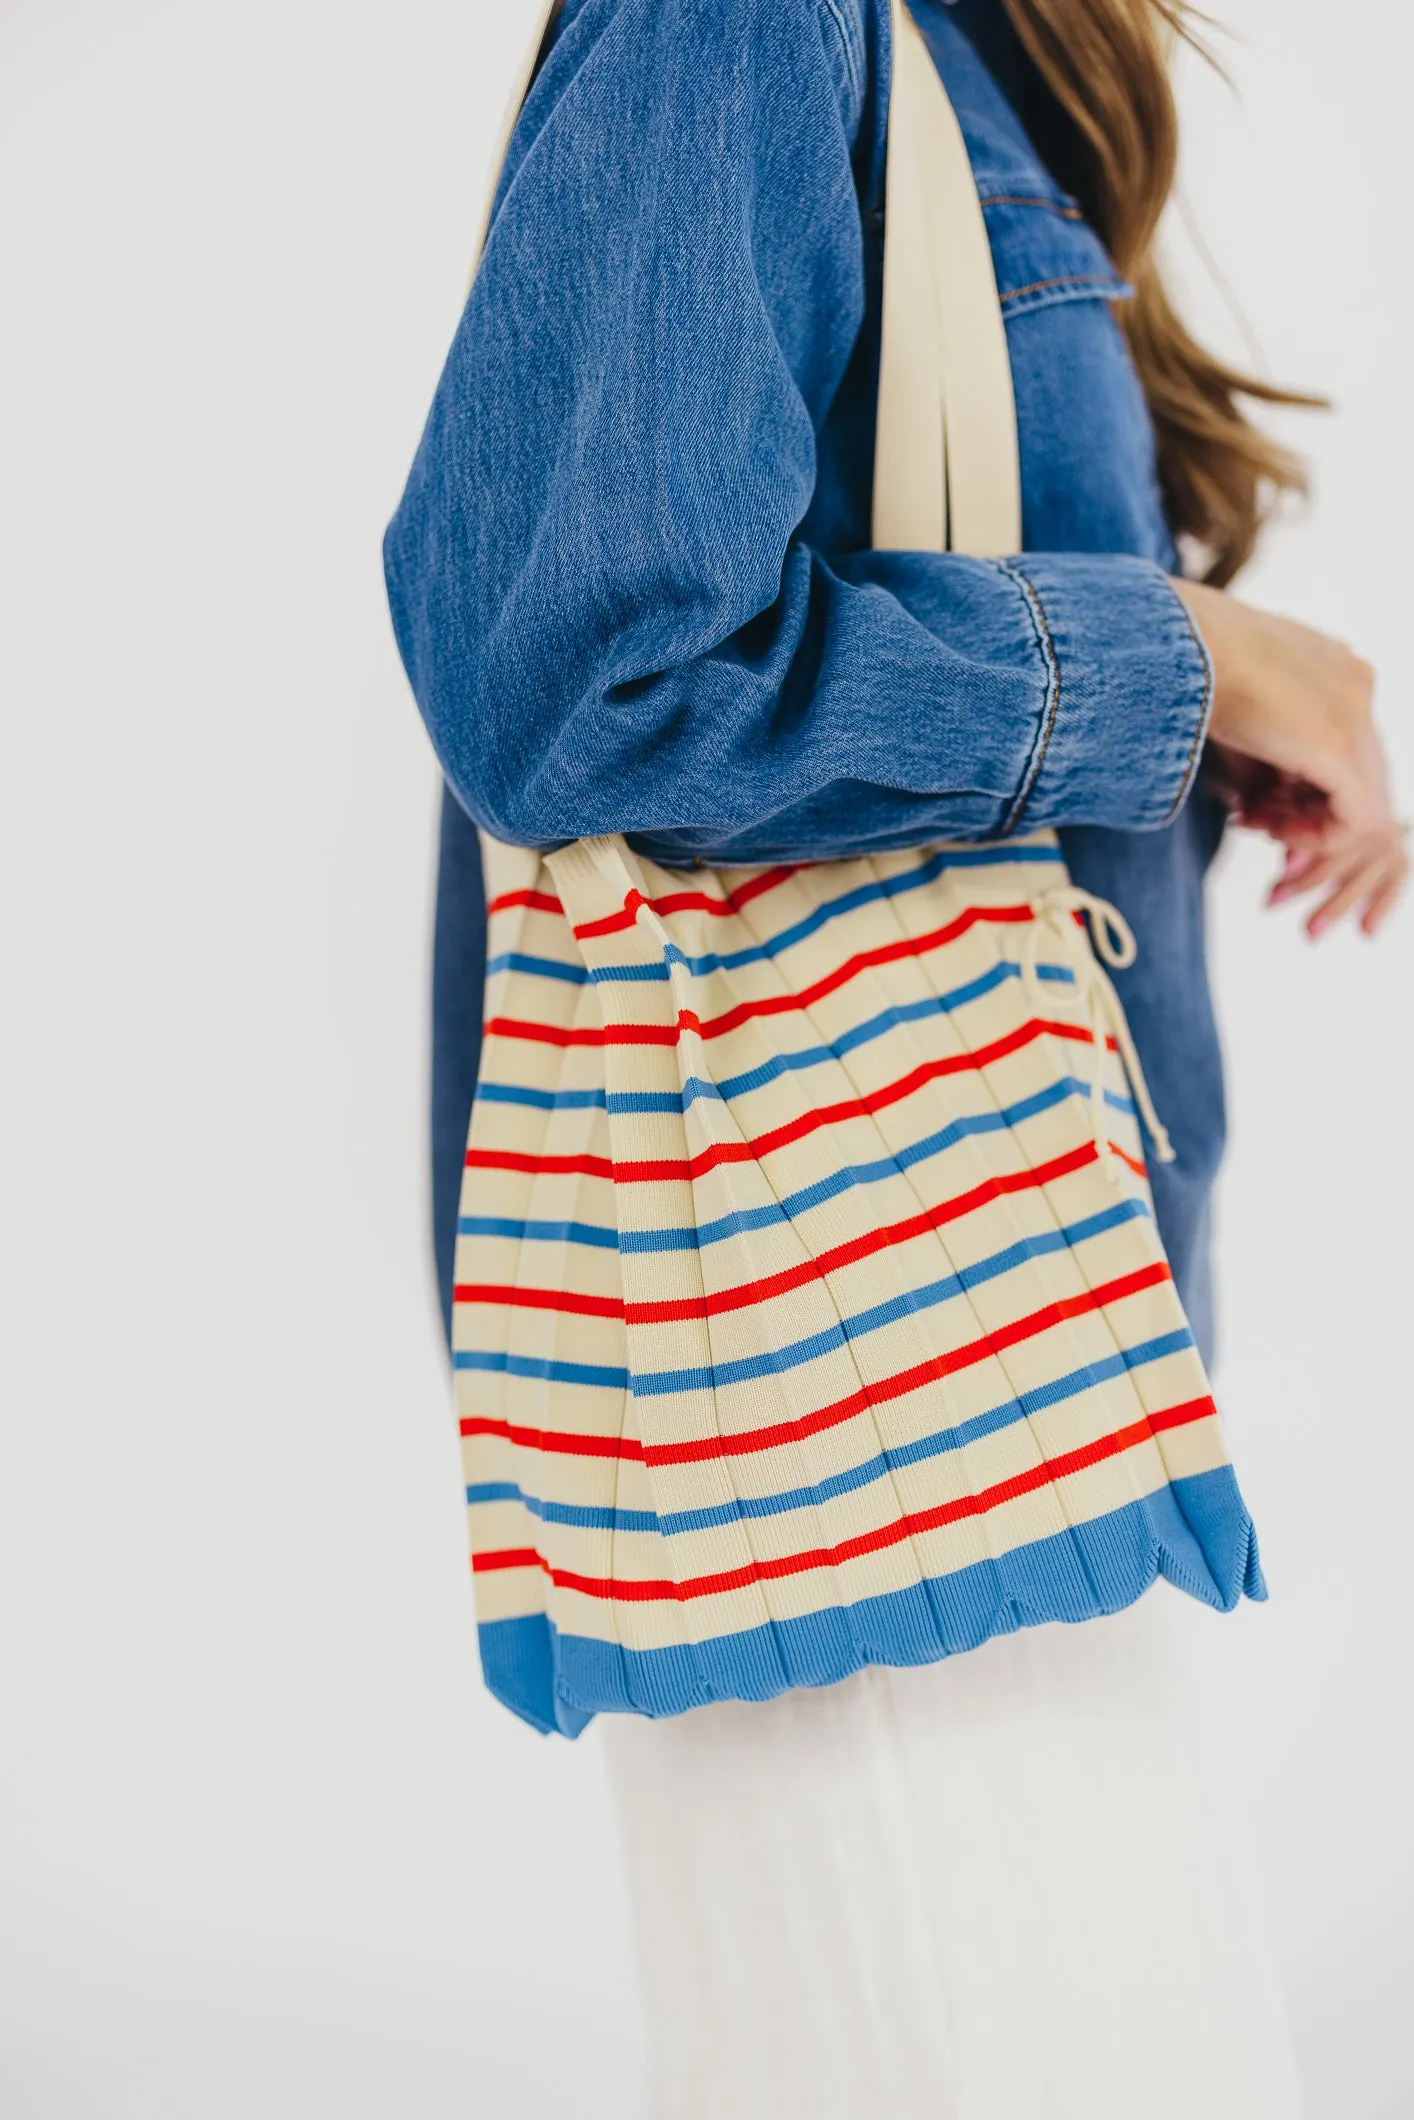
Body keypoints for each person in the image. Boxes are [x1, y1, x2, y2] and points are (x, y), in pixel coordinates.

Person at [384, 0, 1406, 2111]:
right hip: (856, 1367)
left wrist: (1181, 723)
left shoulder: (972, 46)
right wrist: (1183, 654)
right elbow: (587, 676)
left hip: (970, 1346)